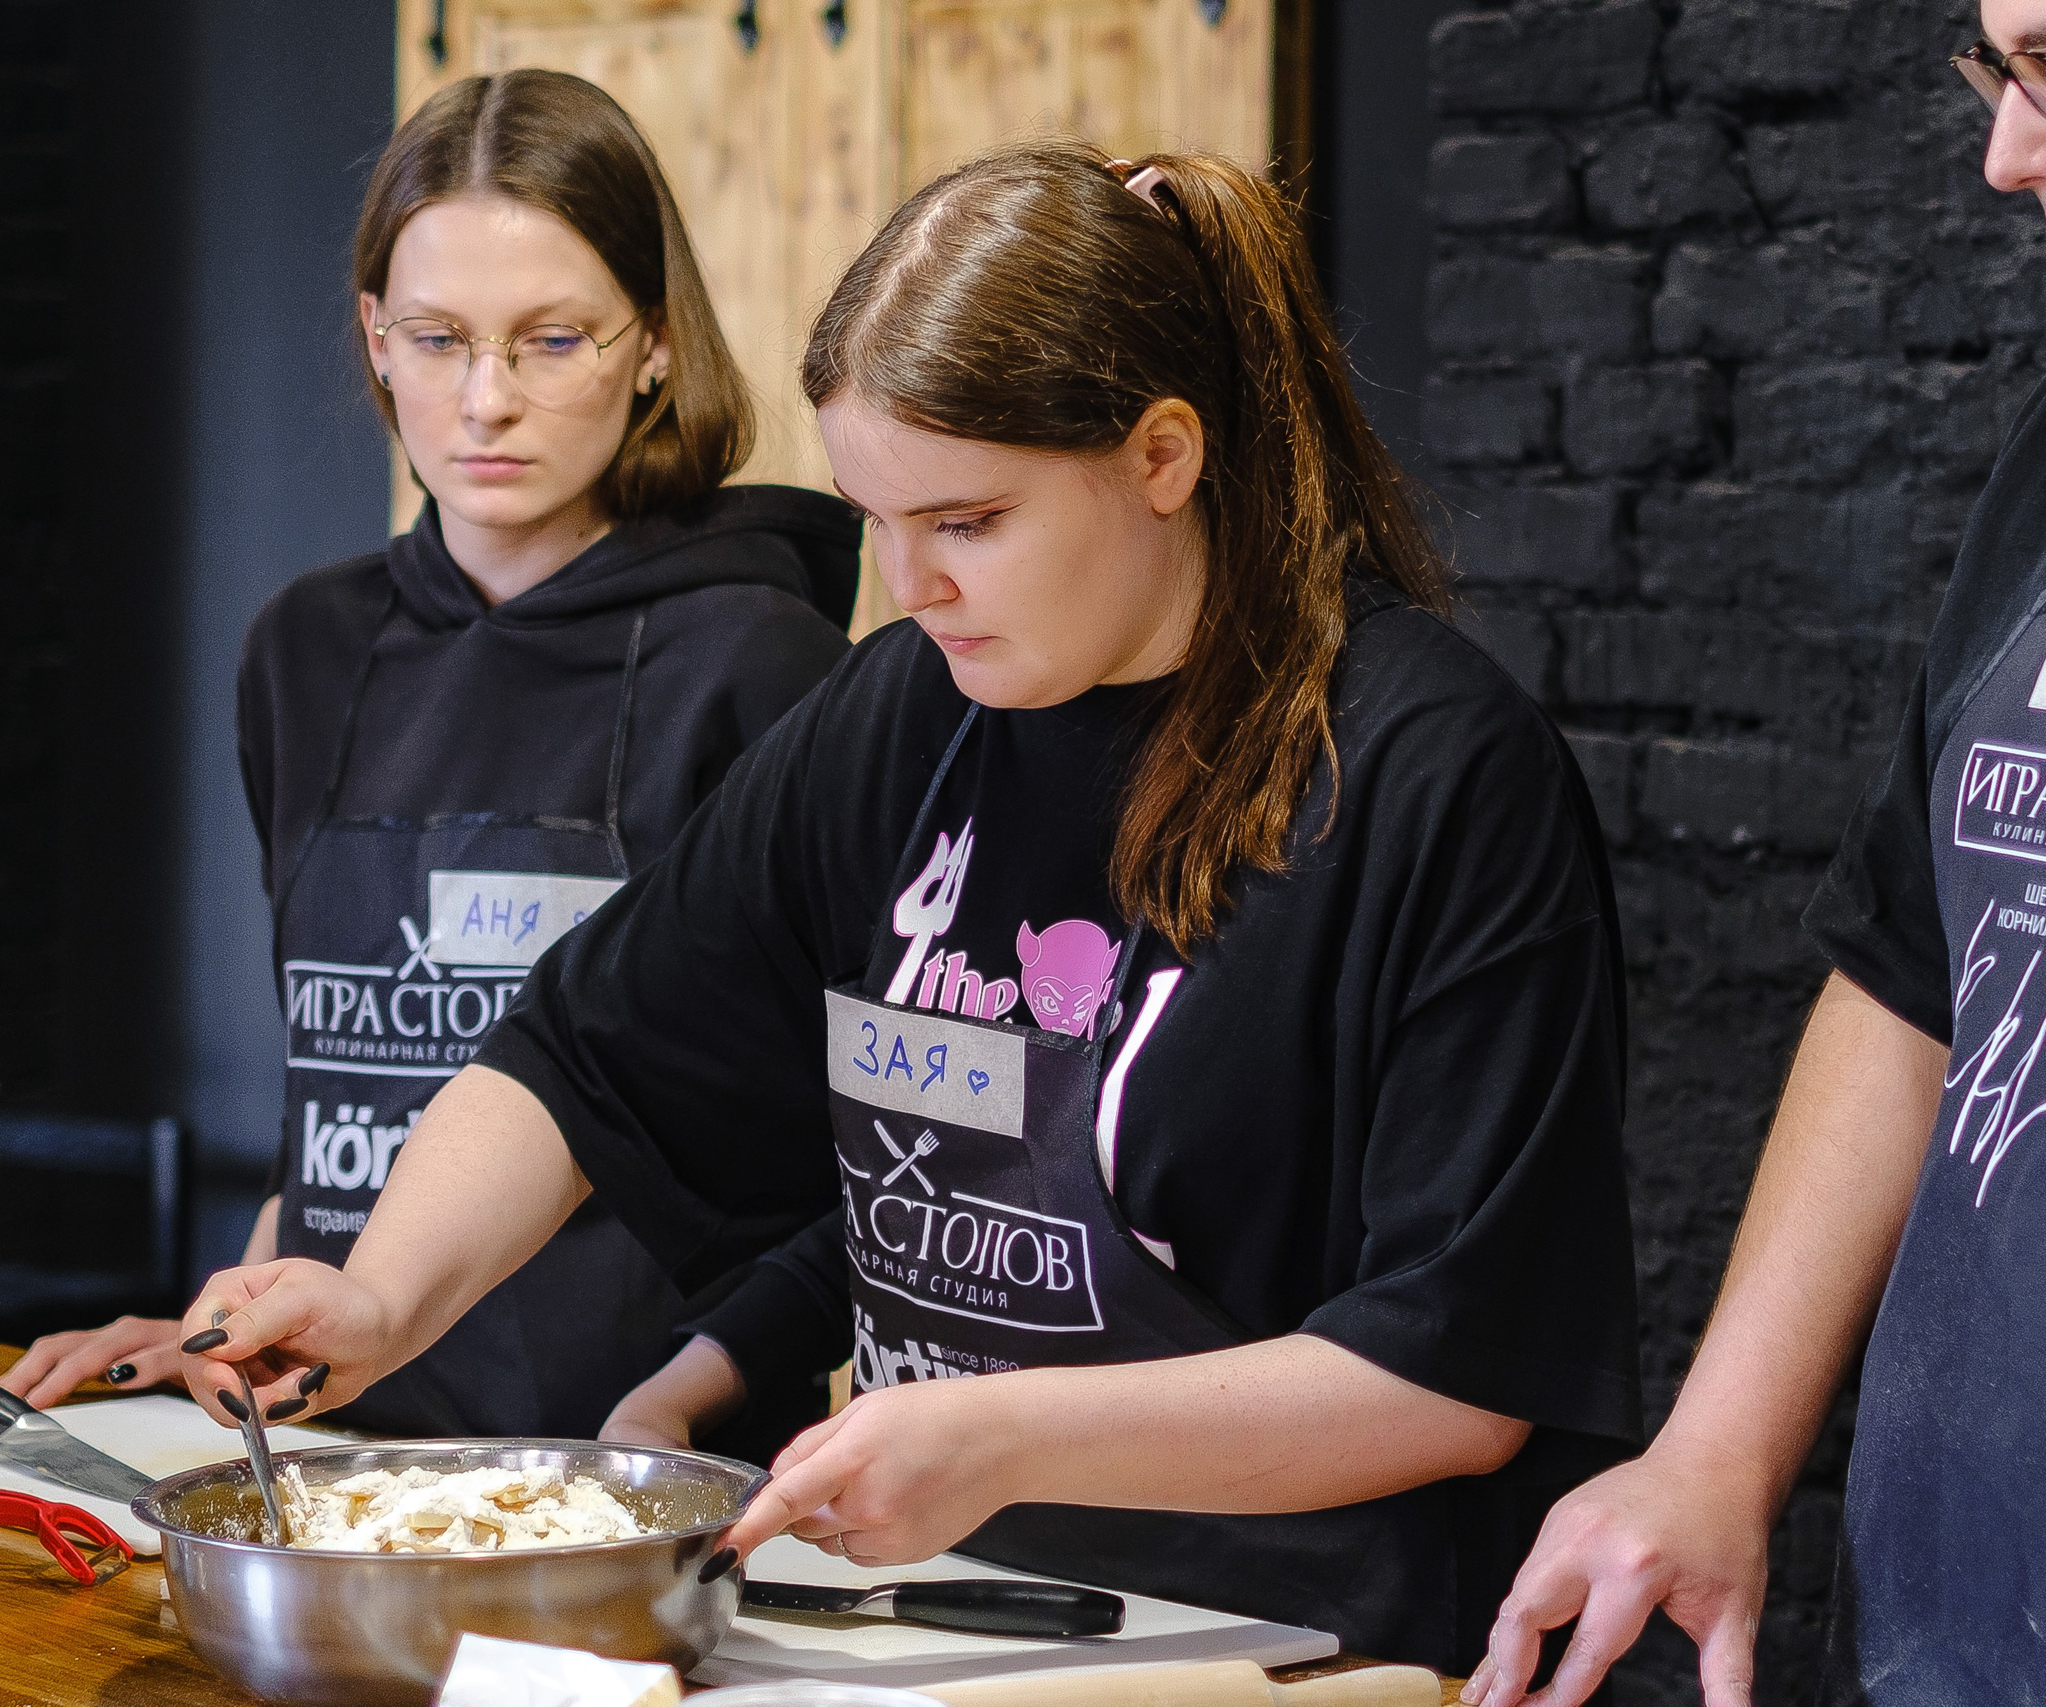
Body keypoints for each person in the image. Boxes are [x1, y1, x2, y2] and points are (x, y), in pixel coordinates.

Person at [172, 139, 1642, 1675]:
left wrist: (998, 1436)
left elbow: (1459, 1373)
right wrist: (382, 1293)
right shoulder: (897, 715)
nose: (908, 583)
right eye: (874, 519)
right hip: (946, 1621)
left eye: (968, 521)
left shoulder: (1429, 770)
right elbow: (585, 1054)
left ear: (1163, 456)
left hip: (1300, 1652)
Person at [0, 70, 857, 1449]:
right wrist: (219, 1330)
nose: (486, 400)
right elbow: (338, 1075)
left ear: (653, 344)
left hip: (631, 1453)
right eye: (441, 338)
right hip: (333, 1437)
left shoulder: (763, 661)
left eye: (553, 340)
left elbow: (839, 1147)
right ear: (375, 340)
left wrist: (681, 1406)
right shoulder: (305, 649)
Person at [1467, 14, 2046, 1706]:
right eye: (1997, 71)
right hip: (1948, 1627)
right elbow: (1919, 966)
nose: (2006, 155)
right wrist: (1719, 1447)